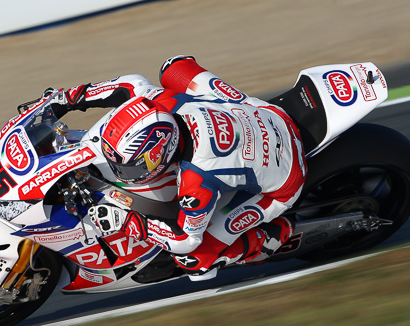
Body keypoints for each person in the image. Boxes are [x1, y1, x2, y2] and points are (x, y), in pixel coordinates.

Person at [49, 56, 307, 280]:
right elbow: (129, 83)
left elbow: (185, 239)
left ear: (161, 152)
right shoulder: (160, 100)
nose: (121, 173)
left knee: (195, 260)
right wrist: (65, 100)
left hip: (287, 175)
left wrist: (131, 222)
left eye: (130, 168)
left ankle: (276, 235)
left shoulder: (197, 181)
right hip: (263, 113)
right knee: (175, 66)